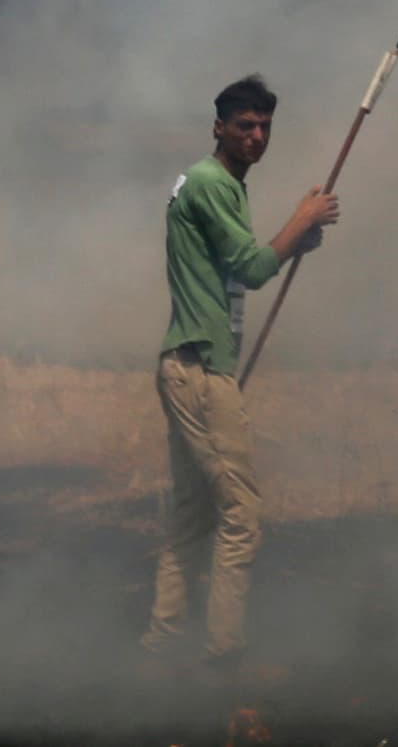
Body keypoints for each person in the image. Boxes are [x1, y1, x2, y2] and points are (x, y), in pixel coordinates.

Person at [141, 72, 338, 671]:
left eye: (265, 127)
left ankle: (162, 646)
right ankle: (224, 654)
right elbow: (252, 269)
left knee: (192, 514)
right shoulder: (209, 183)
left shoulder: (216, 184)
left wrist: (292, 244)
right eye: (246, 125)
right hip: (200, 368)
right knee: (241, 515)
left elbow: (237, 266)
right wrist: (301, 221)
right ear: (219, 127)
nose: (257, 136)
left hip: (193, 364)